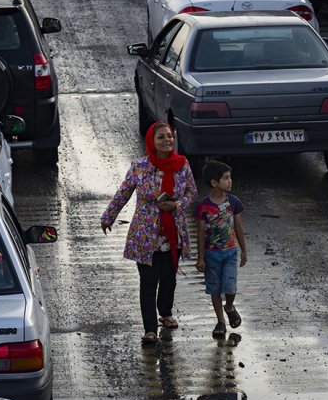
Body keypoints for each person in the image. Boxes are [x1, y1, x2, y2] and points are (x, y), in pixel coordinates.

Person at [101, 121, 197, 344]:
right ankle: (150, 328)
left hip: (173, 233)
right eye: (161, 137)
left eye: (170, 137)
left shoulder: (182, 165)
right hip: (145, 236)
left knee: (169, 279)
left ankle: (165, 312)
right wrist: (108, 217)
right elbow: (123, 193)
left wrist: (177, 205)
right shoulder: (140, 166)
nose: (167, 141)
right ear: (152, 142)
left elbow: (192, 193)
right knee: (148, 282)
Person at [194, 160, 247, 338]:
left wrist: (244, 250)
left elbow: (238, 227)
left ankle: (229, 306)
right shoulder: (203, 207)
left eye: (230, 177)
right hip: (211, 255)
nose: (230, 181)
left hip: (231, 252)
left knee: (230, 287)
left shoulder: (233, 202)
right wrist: (200, 257)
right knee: (215, 288)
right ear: (214, 183)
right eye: (226, 178)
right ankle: (220, 321)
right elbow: (200, 232)